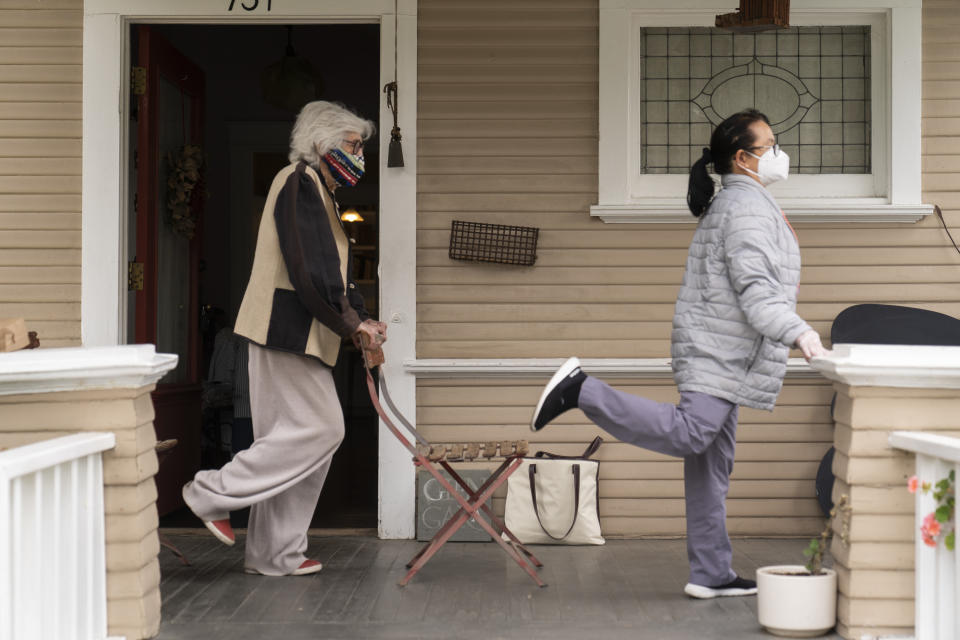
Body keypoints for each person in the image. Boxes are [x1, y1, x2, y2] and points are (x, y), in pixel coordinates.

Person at [530, 109, 828, 599]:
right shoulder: (746, 209)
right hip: (718, 351)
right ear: (742, 158)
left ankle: (711, 572)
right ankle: (582, 389)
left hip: (724, 350)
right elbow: (756, 287)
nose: (779, 154)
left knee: (712, 466)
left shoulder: (745, 201)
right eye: (770, 145)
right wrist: (799, 332)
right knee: (693, 434)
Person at [182, 101, 387, 576]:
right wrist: (351, 322)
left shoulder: (319, 191)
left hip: (303, 335)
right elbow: (309, 267)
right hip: (285, 332)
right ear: (323, 142)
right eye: (354, 145)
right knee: (322, 431)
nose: (360, 155)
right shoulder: (298, 182)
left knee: (296, 444)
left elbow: (332, 274)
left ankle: (274, 555)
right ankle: (210, 493)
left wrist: (361, 319)